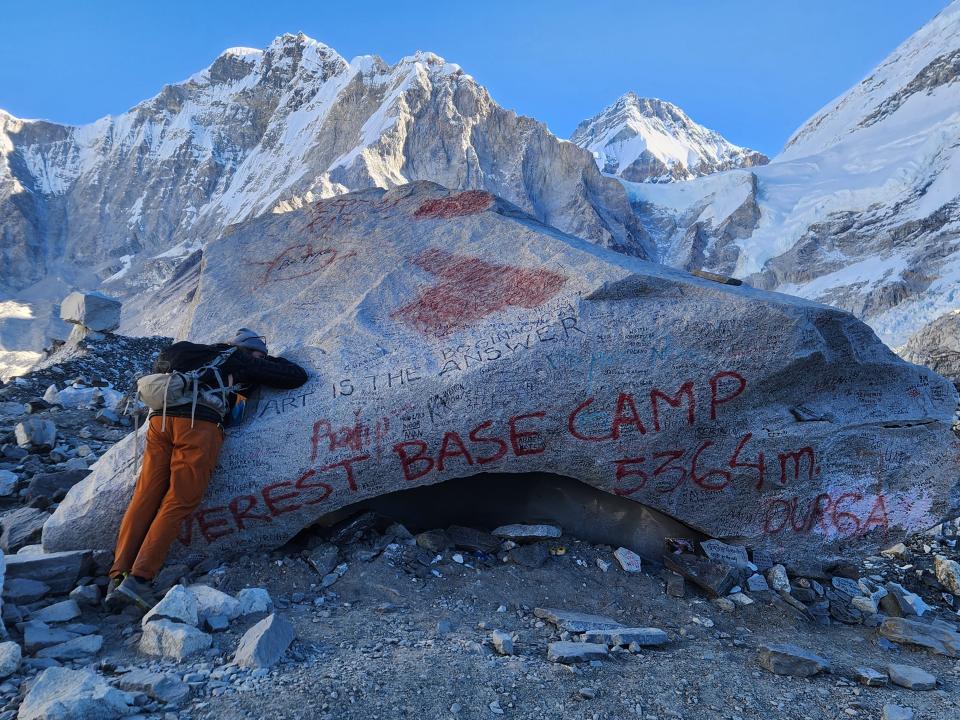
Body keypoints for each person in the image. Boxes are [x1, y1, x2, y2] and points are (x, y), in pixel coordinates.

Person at [106, 329, 308, 610]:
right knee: (180, 499)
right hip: (197, 426)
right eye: (258, 352)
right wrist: (261, 361)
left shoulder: (186, 351)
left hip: (158, 424)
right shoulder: (238, 360)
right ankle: (139, 580)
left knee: (146, 495)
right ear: (245, 349)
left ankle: (117, 575)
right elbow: (295, 376)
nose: (261, 357)